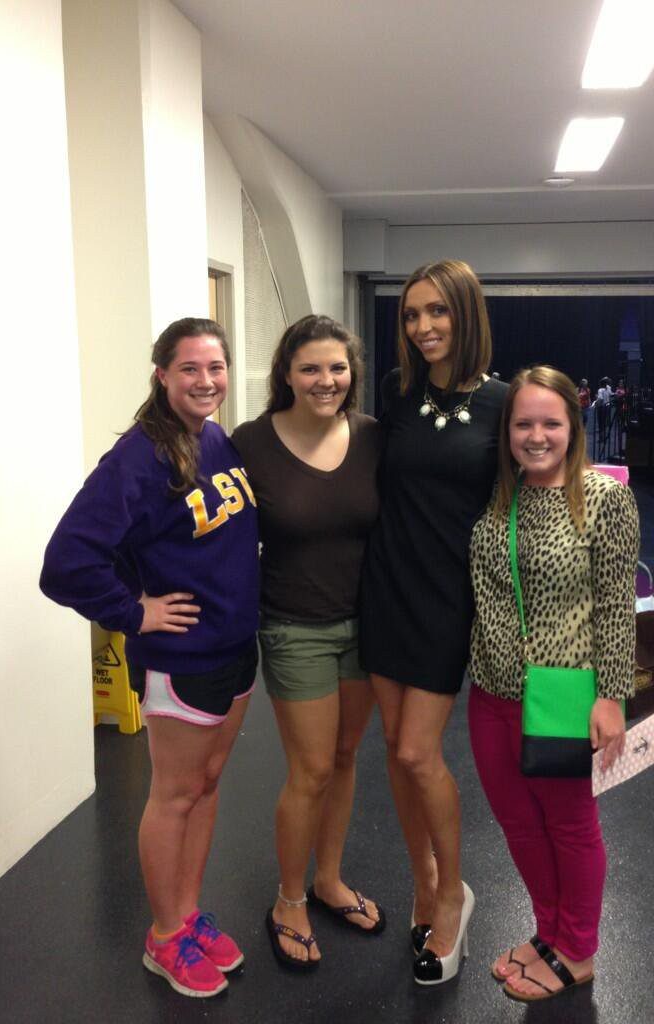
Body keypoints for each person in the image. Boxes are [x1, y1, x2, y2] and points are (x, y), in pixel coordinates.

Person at [40, 318, 259, 999]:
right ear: (161, 374)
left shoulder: (214, 436)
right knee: (172, 794)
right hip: (181, 656)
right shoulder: (139, 457)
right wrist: (135, 611)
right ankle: (164, 937)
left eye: (215, 367)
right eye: (189, 368)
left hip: (232, 645)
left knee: (207, 785)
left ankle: (187, 915)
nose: (205, 381)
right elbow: (66, 562)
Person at [467, 365, 639, 1003]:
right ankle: (548, 931)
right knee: (517, 821)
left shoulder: (602, 497)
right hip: (490, 689)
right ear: (506, 429)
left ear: (574, 426)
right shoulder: (497, 496)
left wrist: (610, 697)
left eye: (551, 423)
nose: (536, 436)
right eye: (523, 423)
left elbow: (617, 605)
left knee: (570, 825)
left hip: (566, 693)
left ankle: (579, 950)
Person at [359, 259, 508, 985]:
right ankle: (421, 880)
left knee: (421, 753)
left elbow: (529, 493)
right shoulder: (395, 392)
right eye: (412, 315)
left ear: (466, 314)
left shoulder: (503, 403)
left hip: (450, 597)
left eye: (437, 312)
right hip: (386, 586)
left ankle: (453, 892)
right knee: (393, 746)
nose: (422, 327)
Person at [231, 315, 384, 970]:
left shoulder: (374, 437)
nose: (327, 381)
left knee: (346, 756)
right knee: (312, 768)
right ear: (287, 374)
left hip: (369, 626)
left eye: (338, 368)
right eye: (311, 369)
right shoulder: (251, 442)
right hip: (295, 625)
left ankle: (328, 878)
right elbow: (210, 529)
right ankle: (289, 898)